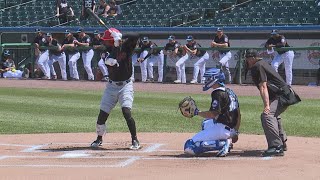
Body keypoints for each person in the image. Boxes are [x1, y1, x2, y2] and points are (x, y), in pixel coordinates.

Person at [90, 28, 141, 150]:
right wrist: (117, 45)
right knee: (102, 116)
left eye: (107, 41)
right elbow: (111, 62)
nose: (104, 43)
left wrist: (122, 36)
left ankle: (135, 139)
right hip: (111, 87)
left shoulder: (127, 47)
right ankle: (99, 138)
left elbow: (136, 35)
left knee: (126, 112)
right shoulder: (106, 52)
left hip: (126, 86)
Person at [244, 49, 301, 157]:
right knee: (274, 115)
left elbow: (263, 86)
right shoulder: (262, 63)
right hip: (285, 94)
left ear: (251, 59)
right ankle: (282, 142)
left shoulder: (257, 66)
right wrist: (269, 103)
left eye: (247, 59)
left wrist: (266, 106)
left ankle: (276, 146)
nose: (246, 61)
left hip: (282, 96)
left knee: (267, 115)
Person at [183, 68, 241, 157]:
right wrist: (235, 132)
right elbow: (238, 113)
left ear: (215, 79)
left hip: (222, 128)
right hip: (231, 128)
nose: (207, 80)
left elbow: (213, 114)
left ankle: (223, 143)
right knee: (205, 123)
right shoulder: (229, 91)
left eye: (209, 78)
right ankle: (224, 138)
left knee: (189, 147)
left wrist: (196, 112)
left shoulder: (217, 93)